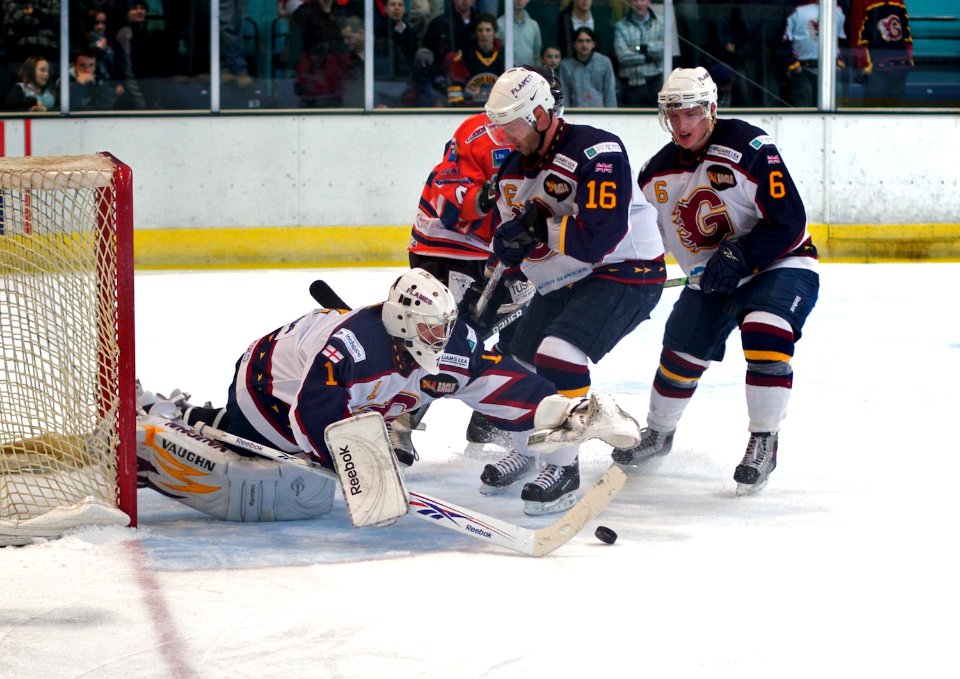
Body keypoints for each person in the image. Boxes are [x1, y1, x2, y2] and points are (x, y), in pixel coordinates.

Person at [137, 269, 637, 518]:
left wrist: (565, 411)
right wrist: (352, 465)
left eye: (446, 328)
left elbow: (503, 384)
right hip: (268, 380)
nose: (443, 342)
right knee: (263, 456)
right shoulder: (353, 350)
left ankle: (186, 411)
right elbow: (314, 413)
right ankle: (170, 415)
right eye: (431, 331)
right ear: (401, 324)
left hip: (334, 386)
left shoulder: (448, 342)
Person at [616, 67, 820, 495]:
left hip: (779, 265)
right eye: (673, 115)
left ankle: (764, 440)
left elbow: (789, 221)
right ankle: (659, 433)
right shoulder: (655, 174)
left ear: (711, 109)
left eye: (690, 113)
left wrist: (741, 253)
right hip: (711, 278)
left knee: (766, 332)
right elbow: (636, 234)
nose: (681, 124)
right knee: (680, 351)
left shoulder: (749, 146)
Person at [480, 67, 666, 510]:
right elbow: (525, 245)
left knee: (558, 354)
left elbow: (598, 239)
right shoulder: (511, 171)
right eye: (499, 126)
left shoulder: (598, 151)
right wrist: (508, 256)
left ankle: (563, 470)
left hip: (626, 271)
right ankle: (529, 450)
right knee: (519, 364)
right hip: (565, 282)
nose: (505, 136)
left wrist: (535, 230)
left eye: (513, 125)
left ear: (542, 115)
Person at [781, 1, 847, 107]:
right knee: (804, 111)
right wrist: (793, 64)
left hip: (832, 70)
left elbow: (842, 39)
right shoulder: (796, 10)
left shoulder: (837, 9)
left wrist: (840, 61)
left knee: (834, 110)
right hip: (803, 70)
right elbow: (785, 40)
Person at [848, 0, 913, 106]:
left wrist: (863, 65)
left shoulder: (861, 2)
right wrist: (908, 59)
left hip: (876, 65)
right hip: (899, 63)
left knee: (874, 113)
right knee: (893, 113)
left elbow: (857, 35)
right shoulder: (898, 1)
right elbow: (906, 35)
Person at [445, 12, 504, 106]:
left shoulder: (505, 56)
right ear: (475, 33)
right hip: (470, 111)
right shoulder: (465, 56)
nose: (484, 34)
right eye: (480, 30)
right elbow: (455, 95)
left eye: (488, 30)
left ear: (495, 32)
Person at [613, 0, 665, 107]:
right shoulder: (620, 26)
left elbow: (664, 49)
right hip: (630, 86)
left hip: (655, 85)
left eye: (642, 0)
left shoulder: (661, 23)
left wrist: (639, 48)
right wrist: (650, 57)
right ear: (629, 2)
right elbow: (623, 57)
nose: (639, 4)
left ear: (649, 1)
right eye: (635, 0)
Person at [373, 0, 418, 107]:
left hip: (407, 79)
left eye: (400, 5)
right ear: (385, 9)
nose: (396, 8)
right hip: (387, 79)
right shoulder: (379, 31)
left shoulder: (411, 32)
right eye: (393, 5)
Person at [559, 26, 617, 108]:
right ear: (574, 44)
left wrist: (612, 115)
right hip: (576, 113)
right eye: (580, 41)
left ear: (593, 44)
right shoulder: (565, 65)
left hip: (600, 113)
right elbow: (564, 95)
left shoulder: (605, 62)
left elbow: (610, 92)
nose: (584, 45)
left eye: (588, 41)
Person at [422, 0, 477, 68]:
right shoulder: (438, 24)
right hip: (445, 73)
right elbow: (427, 53)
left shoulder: (481, 24)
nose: (464, 0)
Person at [496, 0, 542, 69]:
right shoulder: (499, 24)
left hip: (529, 74)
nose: (519, 0)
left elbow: (537, 55)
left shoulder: (533, 25)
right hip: (506, 74)